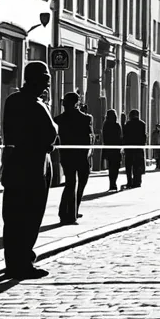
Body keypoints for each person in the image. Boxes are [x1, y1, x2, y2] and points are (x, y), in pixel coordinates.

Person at [0, 62, 58, 279]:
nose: (47, 85)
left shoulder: (11, 100)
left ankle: (12, 262)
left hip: (14, 165)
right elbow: (51, 134)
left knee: (13, 217)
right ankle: (23, 262)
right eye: (46, 80)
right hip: (35, 167)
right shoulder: (37, 105)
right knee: (30, 216)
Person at [54, 93, 93, 225]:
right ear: (77, 103)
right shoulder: (86, 118)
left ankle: (66, 212)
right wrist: (88, 153)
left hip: (66, 155)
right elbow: (89, 138)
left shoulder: (58, 119)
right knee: (81, 183)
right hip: (81, 155)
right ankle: (72, 212)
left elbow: (56, 140)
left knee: (70, 183)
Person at [123, 110, 148, 188]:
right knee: (138, 165)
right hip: (138, 148)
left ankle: (129, 181)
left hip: (129, 148)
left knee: (129, 166)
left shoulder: (128, 124)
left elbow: (125, 136)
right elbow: (144, 136)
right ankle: (137, 181)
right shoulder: (142, 124)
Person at [101, 109, 123, 191]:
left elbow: (104, 137)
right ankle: (114, 182)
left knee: (111, 167)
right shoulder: (117, 125)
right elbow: (120, 137)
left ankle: (112, 183)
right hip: (116, 149)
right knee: (116, 167)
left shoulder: (105, 125)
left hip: (109, 148)